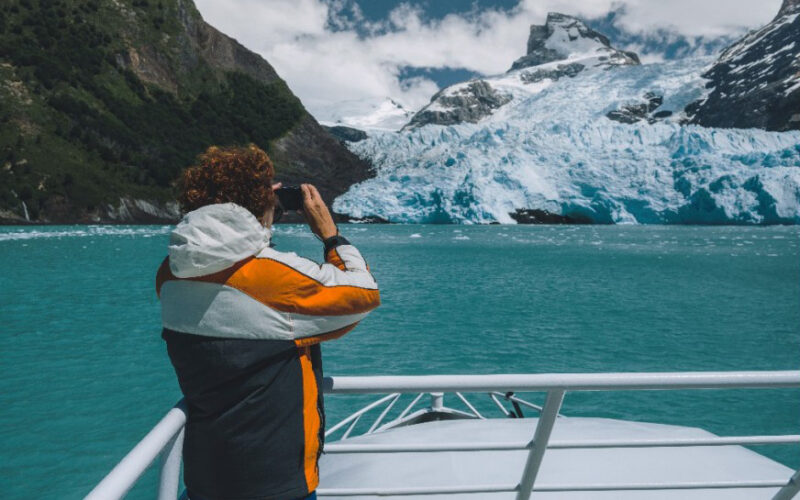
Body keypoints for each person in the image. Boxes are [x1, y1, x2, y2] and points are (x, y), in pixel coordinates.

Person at [156, 144, 380, 500]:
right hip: (275, 484)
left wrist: (260, 214)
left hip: (205, 480)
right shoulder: (271, 279)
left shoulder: (170, 275)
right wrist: (330, 235)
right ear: (260, 200)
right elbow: (363, 293)